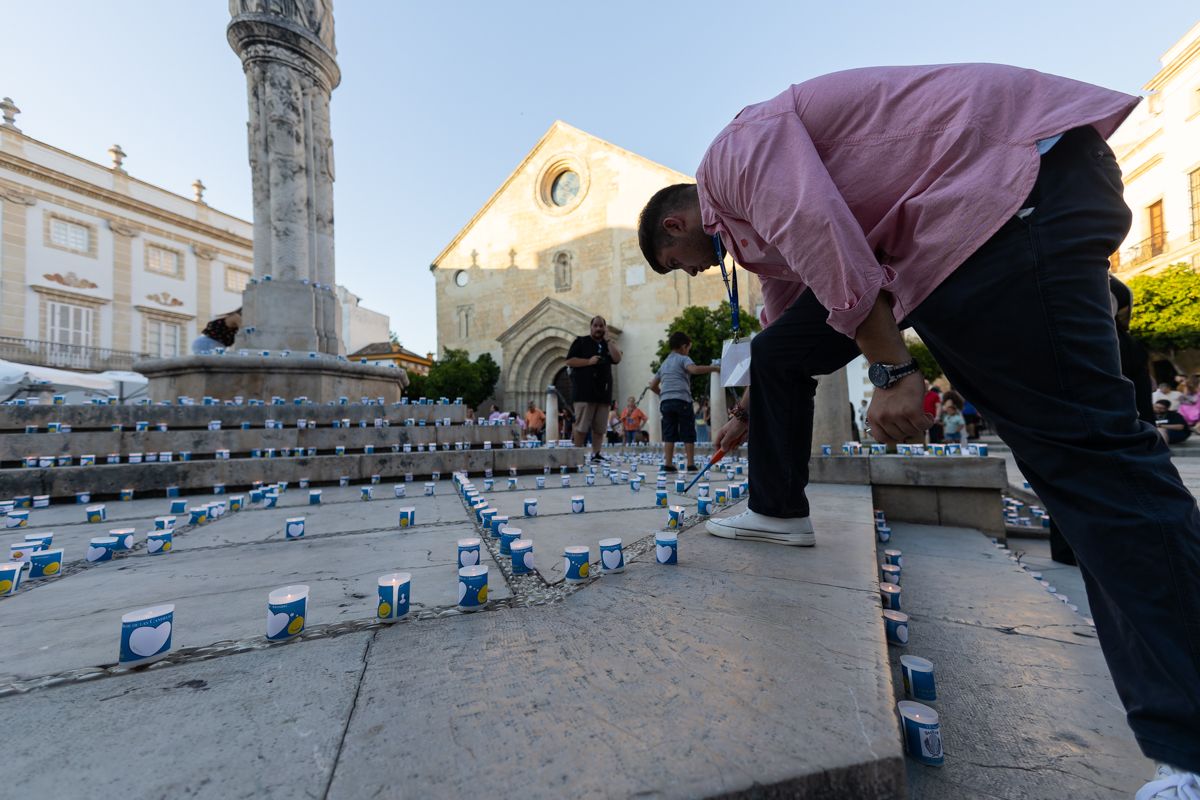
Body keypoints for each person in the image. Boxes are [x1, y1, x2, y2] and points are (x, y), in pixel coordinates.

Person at [637, 64, 1200, 790]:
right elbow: (787, 310)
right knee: (1079, 461)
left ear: (677, 228)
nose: (691, 274)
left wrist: (890, 369)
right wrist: (752, 412)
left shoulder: (733, 156)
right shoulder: (746, 228)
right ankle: (776, 508)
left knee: (1090, 464)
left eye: (677, 265)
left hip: (1000, 193)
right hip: (985, 212)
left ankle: (1188, 744)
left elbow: (820, 231)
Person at [649, 331, 720, 471]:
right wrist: (714, 368)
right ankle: (690, 463)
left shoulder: (664, 363)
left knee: (669, 432)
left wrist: (663, 394)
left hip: (666, 402)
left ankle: (668, 463)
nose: (688, 352)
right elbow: (693, 369)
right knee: (688, 431)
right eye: (688, 349)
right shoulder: (683, 359)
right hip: (682, 400)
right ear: (683, 347)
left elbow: (652, 385)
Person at [565, 316, 622, 461]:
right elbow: (570, 360)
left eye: (601, 326)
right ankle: (577, 455)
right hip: (584, 392)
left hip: (603, 393)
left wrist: (609, 340)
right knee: (582, 426)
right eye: (595, 326)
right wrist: (588, 362)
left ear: (605, 328)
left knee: (600, 427)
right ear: (591, 327)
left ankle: (596, 454)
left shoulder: (608, 344)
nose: (598, 329)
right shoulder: (581, 342)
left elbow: (617, 359)